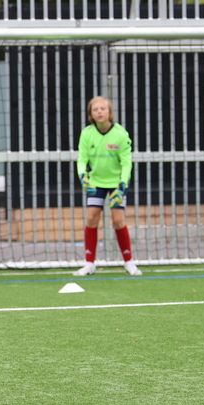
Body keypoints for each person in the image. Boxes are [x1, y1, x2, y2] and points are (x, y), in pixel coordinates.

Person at [74, 95, 141, 276]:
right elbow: (82, 159)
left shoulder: (120, 134)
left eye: (103, 108)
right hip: (96, 183)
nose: (99, 112)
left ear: (110, 112)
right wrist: (82, 175)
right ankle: (89, 264)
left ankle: (129, 262)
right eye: (95, 109)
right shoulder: (87, 133)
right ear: (91, 114)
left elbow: (127, 162)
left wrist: (123, 184)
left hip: (116, 184)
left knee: (118, 220)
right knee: (91, 218)